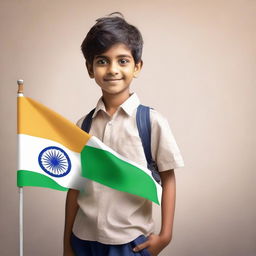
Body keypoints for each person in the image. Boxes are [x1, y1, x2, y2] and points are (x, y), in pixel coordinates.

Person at [63, 12, 184, 256]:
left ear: (137, 66)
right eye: (102, 61)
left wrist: (165, 235)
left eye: (122, 61)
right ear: (90, 68)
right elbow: (74, 186)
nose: (112, 70)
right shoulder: (82, 126)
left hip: (129, 242)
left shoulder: (151, 122)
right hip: (83, 238)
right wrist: (67, 243)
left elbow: (168, 178)